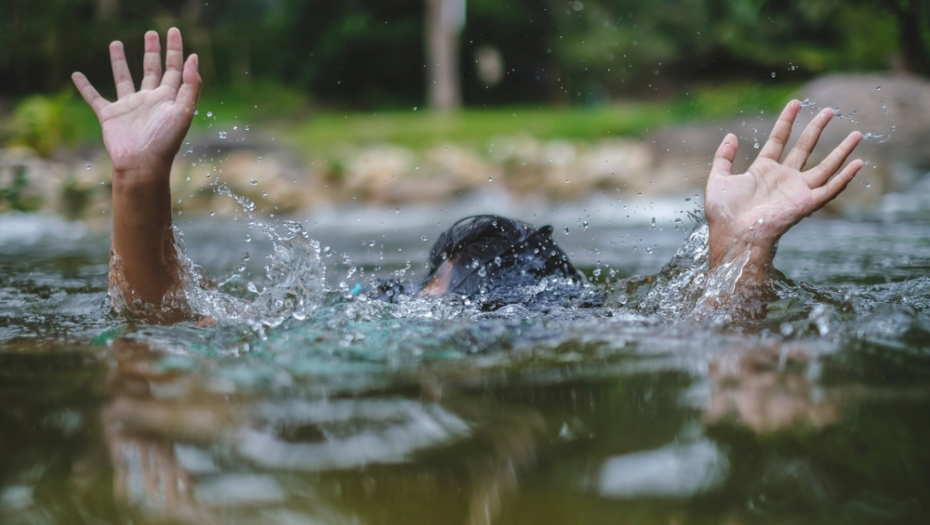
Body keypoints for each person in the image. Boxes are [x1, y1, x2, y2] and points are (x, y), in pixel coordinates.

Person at [71, 29, 864, 323]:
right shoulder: (574, 317)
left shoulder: (370, 311)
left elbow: (164, 320)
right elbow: (711, 338)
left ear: (433, 280)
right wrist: (739, 249)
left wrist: (140, 186)